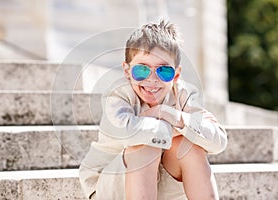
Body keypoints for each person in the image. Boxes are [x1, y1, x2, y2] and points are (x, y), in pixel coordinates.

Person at [79, 20, 227, 200]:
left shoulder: (183, 93)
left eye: (164, 71)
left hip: (158, 182)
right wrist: (179, 125)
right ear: (127, 71)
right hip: (110, 184)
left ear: (176, 74)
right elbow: (129, 131)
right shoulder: (118, 95)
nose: (152, 79)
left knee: (189, 147)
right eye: (142, 70)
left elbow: (218, 141)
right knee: (147, 143)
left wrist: (167, 113)